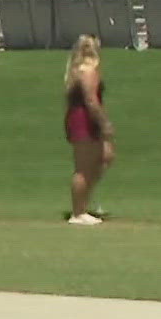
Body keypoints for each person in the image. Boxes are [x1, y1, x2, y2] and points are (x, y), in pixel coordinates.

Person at [63, 33, 115, 225]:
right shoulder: (88, 71)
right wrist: (104, 123)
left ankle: (83, 203)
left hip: (81, 118)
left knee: (103, 158)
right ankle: (78, 212)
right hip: (85, 120)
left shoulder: (75, 70)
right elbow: (91, 100)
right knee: (83, 167)